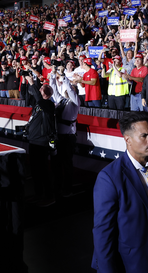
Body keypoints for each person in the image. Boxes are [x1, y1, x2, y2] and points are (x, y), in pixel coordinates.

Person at [92, 112, 148, 273]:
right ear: (127, 139)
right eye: (144, 136)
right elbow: (103, 233)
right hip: (131, 263)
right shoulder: (109, 177)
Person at [25, 74, 57, 207]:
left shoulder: (48, 104)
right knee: (35, 170)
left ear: (46, 93)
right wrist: (26, 84)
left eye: (41, 89)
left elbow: (39, 99)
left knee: (43, 170)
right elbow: (27, 96)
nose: (38, 91)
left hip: (42, 142)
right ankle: (38, 194)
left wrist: (33, 83)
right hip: (33, 140)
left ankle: (49, 196)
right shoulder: (39, 103)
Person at [49, 70, 80, 198]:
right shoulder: (62, 101)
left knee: (67, 164)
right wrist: (52, 75)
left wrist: (64, 77)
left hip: (68, 138)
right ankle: (57, 186)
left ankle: (68, 188)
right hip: (59, 137)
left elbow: (71, 91)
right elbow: (54, 90)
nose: (69, 89)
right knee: (56, 163)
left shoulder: (75, 103)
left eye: (71, 88)